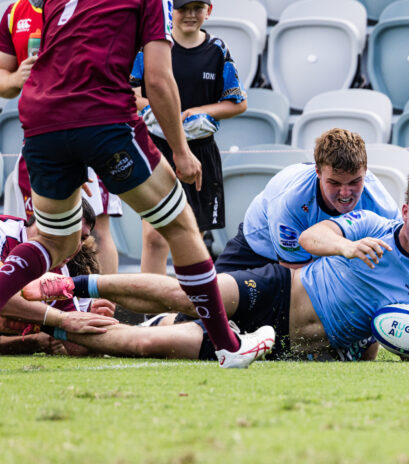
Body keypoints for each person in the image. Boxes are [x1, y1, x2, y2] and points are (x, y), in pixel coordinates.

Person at [0, 0, 272, 368]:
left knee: (53, 241)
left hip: (41, 117)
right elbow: (158, 80)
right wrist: (180, 150)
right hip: (101, 117)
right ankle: (228, 347)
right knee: (180, 225)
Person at [25, 169, 409, 362]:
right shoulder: (371, 225)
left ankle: (55, 329)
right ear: (406, 212)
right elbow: (311, 237)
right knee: (185, 293)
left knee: (151, 343)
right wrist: (345, 248)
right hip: (278, 288)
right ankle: (71, 281)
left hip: (287, 347)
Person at [0, 0, 122, 274]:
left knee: (93, 230)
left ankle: (103, 308)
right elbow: (3, 80)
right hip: (37, 140)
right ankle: (53, 304)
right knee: (38, 229)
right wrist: (17, 78)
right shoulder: (14, 13)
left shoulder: (90, 5)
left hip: (90, 133)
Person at [130, 0, 247, 274]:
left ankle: (196, 308)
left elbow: (237, 102)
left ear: (209, 10)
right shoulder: (151, 47)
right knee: (154, 237)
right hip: (155, 148)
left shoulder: (217, 50)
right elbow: (129, 93)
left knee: (195, 238)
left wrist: (199, 112)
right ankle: (153, 311)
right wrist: (154, 108)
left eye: (198, 7)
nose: (191, 15)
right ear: (171, 11)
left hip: (200, 152)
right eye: (183, 8)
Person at [215, 127, 400, 273]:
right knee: (204, 301)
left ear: (365, 171)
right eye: (334, 183)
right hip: (260, 245)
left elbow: (399, 260)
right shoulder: (291, 202)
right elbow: (295, 276)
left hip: (322, 252)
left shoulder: (382, 204)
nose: (345, 193)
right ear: (317, 172)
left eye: (355, 182)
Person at [0, 198, 118, 348]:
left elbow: (78, 346)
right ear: (47, 224)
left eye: (82, 239)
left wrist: (92, 319)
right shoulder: (4, 233)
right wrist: (60, 319)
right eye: (71, 234)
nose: (76, 247)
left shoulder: (62, 274)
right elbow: (4, 296)